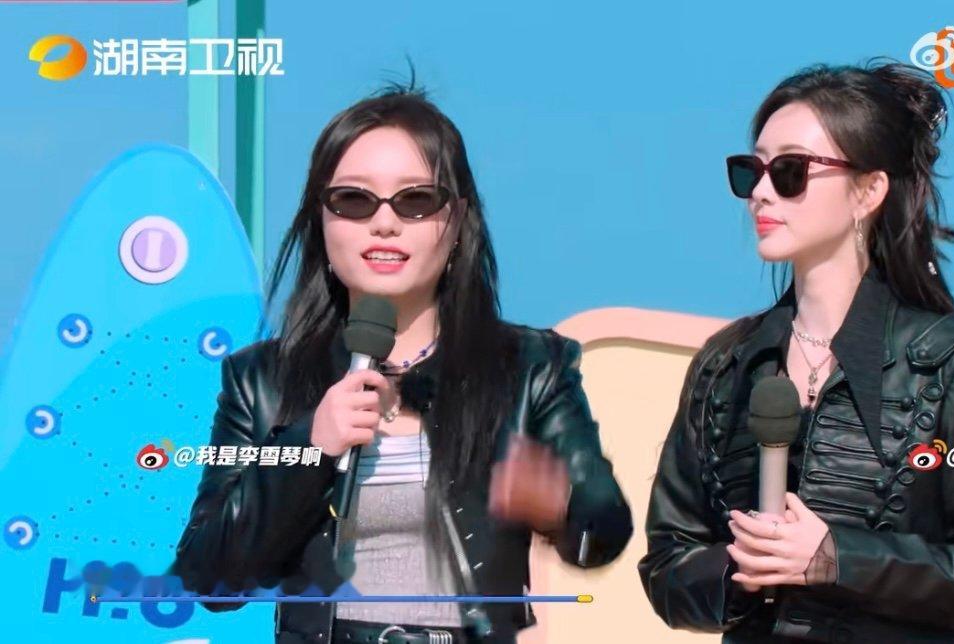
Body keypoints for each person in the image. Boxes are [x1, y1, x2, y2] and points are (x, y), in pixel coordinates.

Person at [169, 83, 632, 644]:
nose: (384, 223)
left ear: (458, 221)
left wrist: (561, 505)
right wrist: (309, 448)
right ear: (320, 219)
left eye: (416, 200)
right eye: (354, 200)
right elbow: (208, 578)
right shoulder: (261, 380)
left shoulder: (530, 368)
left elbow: (602, 534)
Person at [638, 61, 954, 642]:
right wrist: (736, 572)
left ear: (868, 191)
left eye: (791, 171)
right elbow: (667, 560)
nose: (761, 192)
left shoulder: (952, 363)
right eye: (751, 170)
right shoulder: (725, 365)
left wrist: (839, 558)